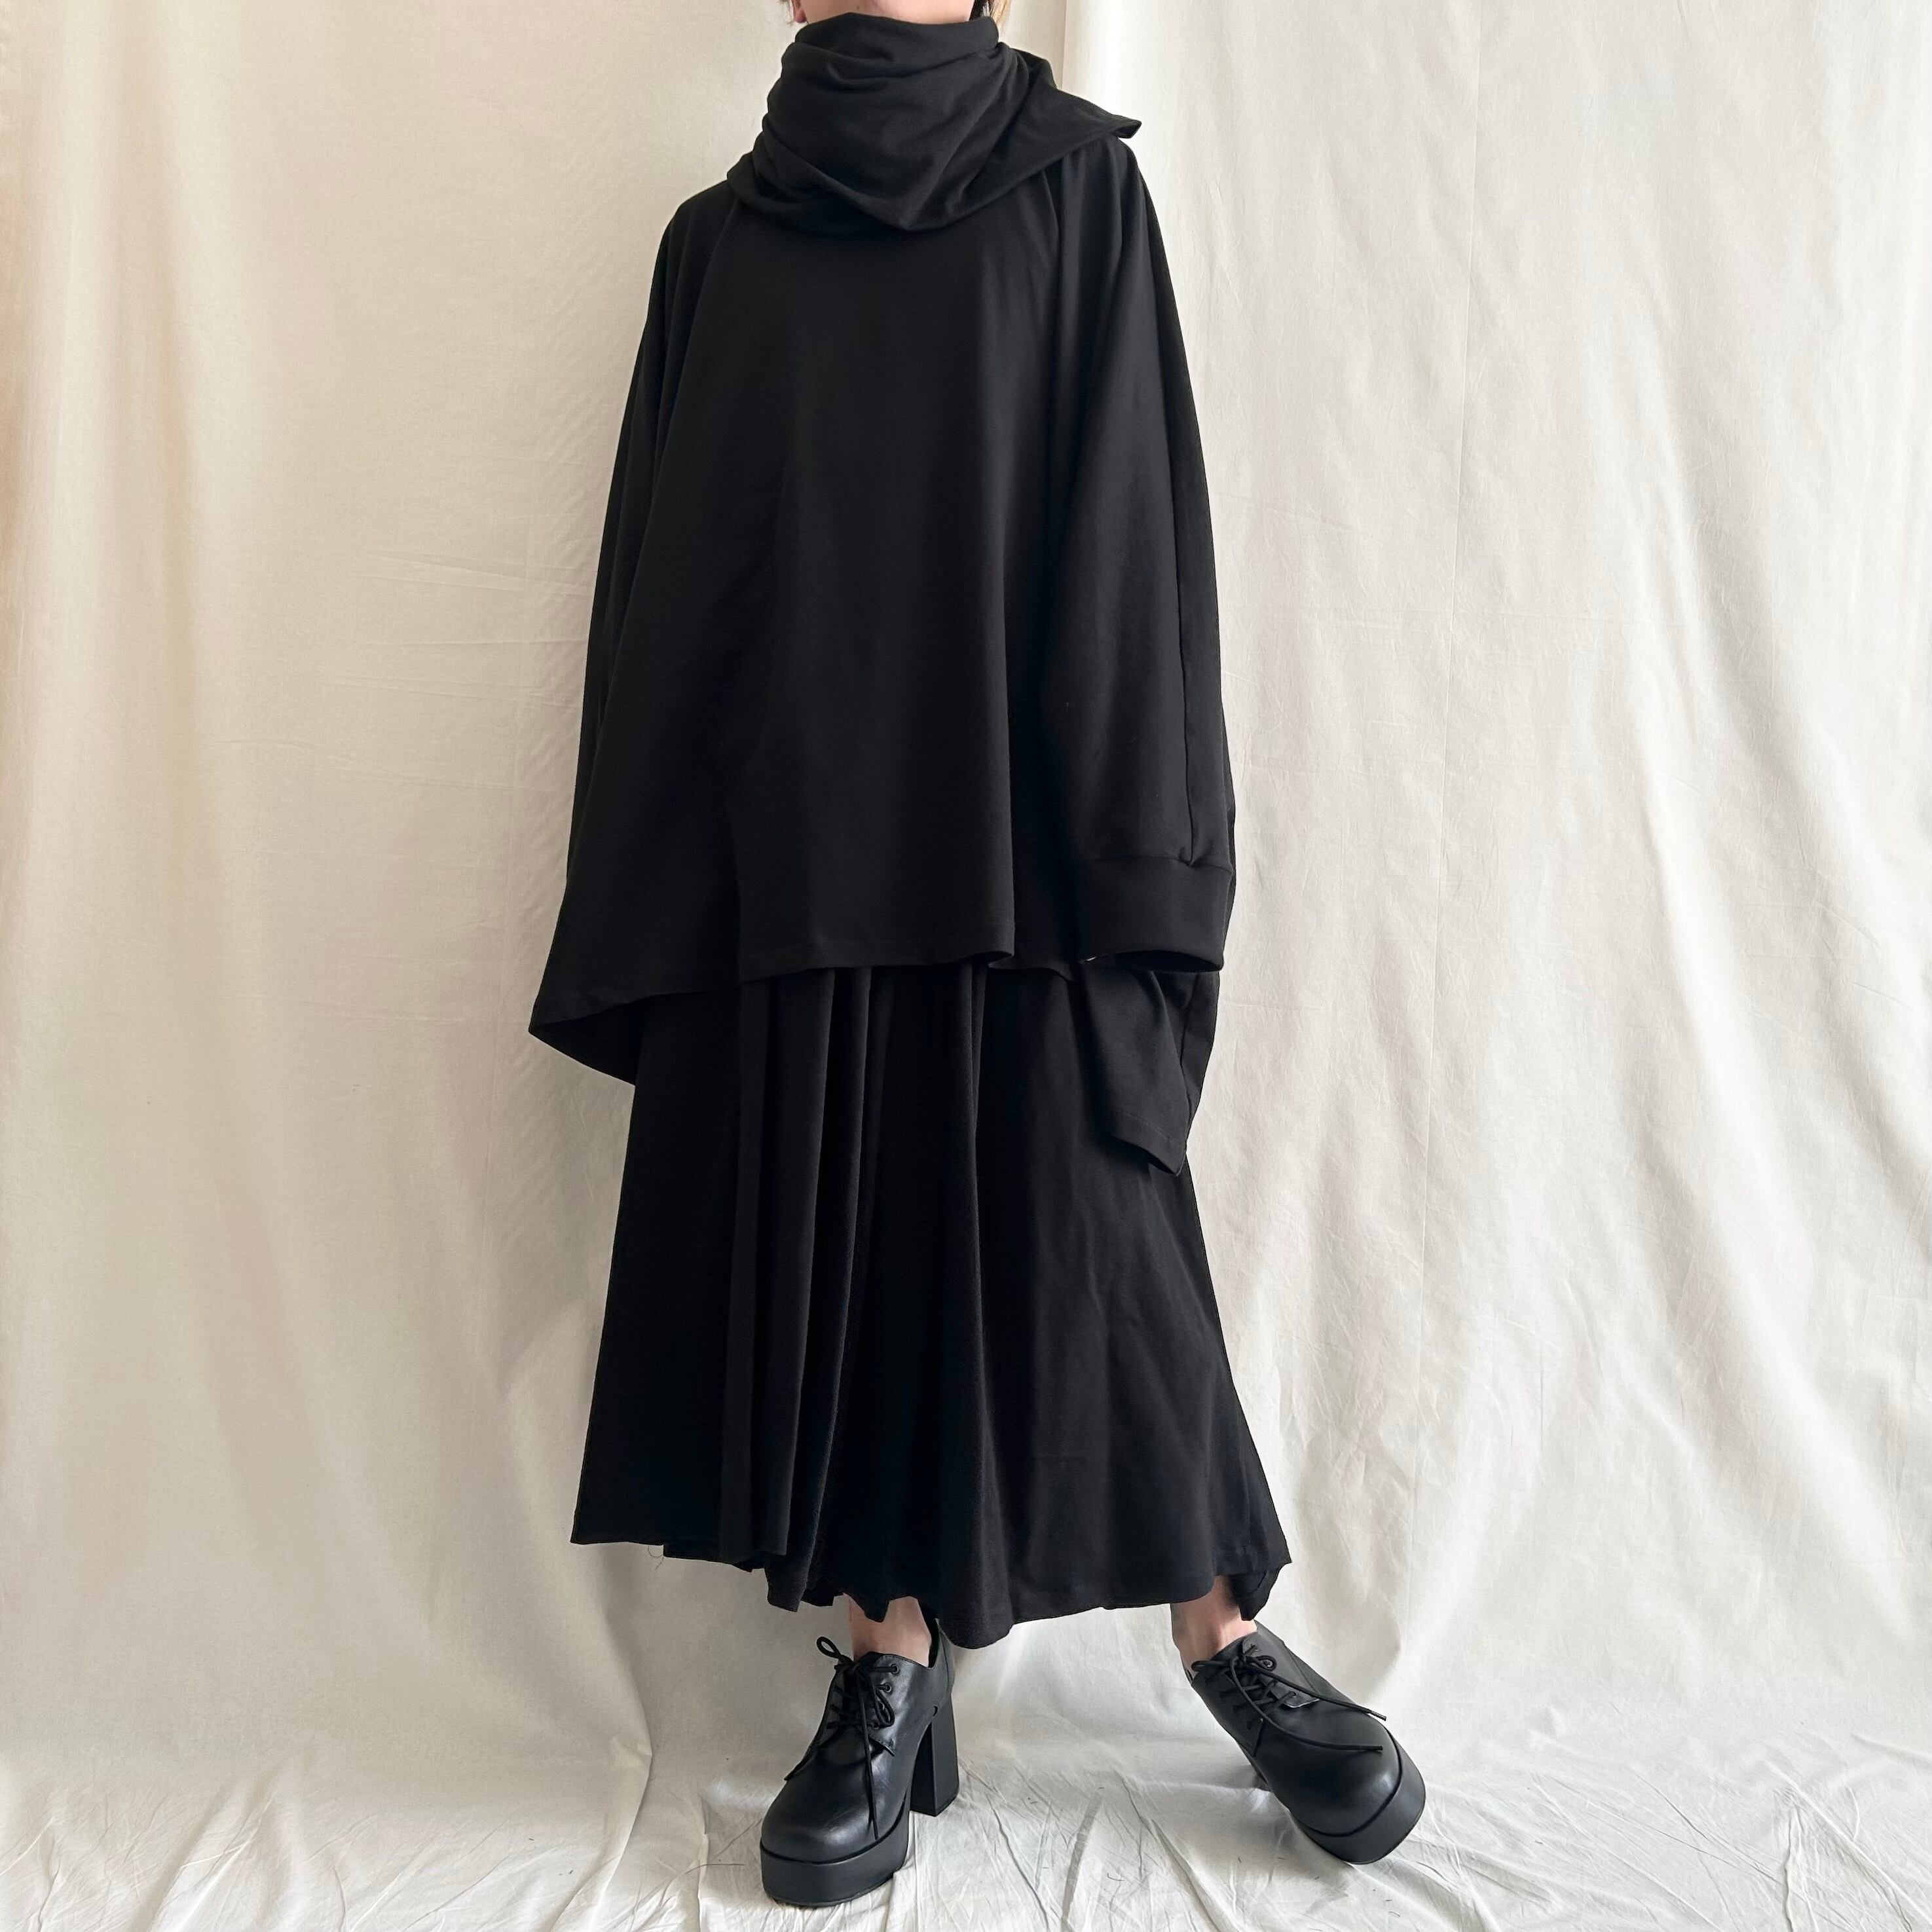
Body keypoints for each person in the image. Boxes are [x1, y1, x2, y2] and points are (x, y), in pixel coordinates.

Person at [529, 0, 1425, 1907]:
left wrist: (1132, 857)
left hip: (1033, 846)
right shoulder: (718, 247)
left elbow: (1135, 535)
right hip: (802, 856)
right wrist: (681, 877)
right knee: (855, 1230)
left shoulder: (1077, 202)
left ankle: (1220, 1631)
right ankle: (888, 1655)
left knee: (1100, 1234)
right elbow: (666, 590)